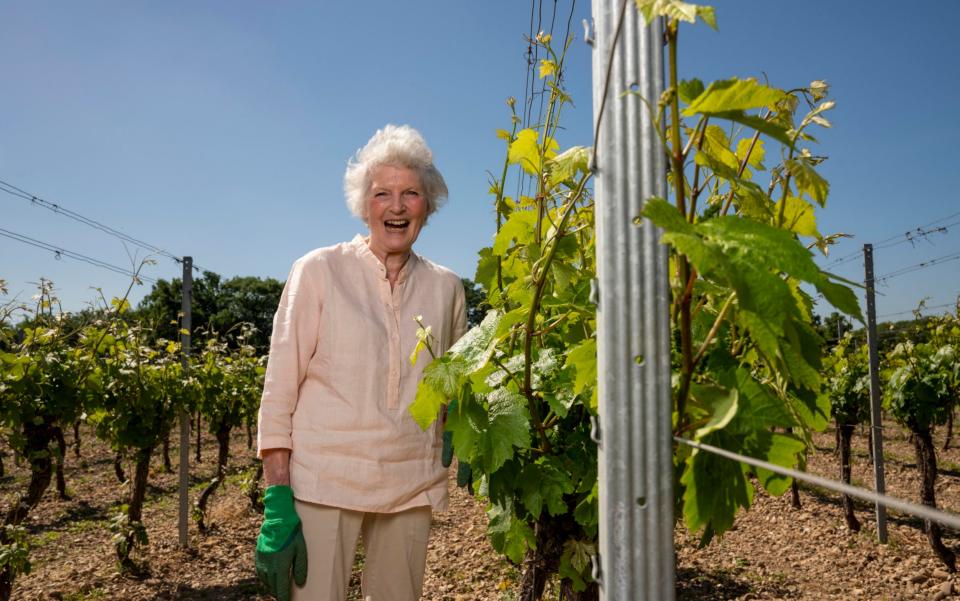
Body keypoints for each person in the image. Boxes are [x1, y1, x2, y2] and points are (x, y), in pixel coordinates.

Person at [254, 124, 467, 601]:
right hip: (323, 480)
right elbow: (280, 389)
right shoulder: (318, 270)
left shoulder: (447, 287)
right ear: (363, 205)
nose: (396, 206)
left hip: (410, 480)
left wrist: (463, 428)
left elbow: (451, 381)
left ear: (428, 205)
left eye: (411, 193)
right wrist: (277, 500)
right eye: (382, 193)